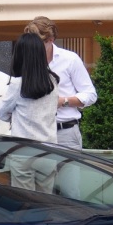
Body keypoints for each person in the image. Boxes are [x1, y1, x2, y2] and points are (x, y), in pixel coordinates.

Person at [24, 17, 96, 149]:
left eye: (37, 43)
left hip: (65, 132)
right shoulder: (25, 61)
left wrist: (62, 101)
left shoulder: (70, 59)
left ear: (50, 40)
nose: (32, 47)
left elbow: (90, 95)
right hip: (34, 132)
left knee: (69, 170)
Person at [0, 32, 59, 143]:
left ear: (19, 56)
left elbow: (2, 114)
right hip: (50, 147)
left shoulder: (17, 84)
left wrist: (17, 116)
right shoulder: (53, 81)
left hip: (23, 148)